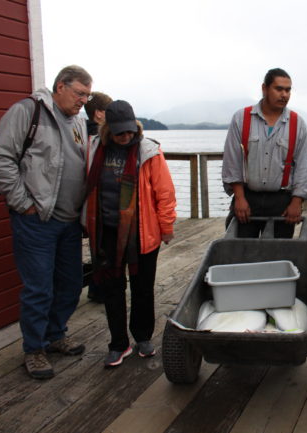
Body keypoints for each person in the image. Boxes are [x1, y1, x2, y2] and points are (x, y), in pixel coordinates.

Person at [0, 65, 93, 379]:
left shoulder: (78, 121)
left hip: (69, 222)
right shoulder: (26, 112)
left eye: (87, 96)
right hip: (37, 221)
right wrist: (23, 204)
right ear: (60, 86)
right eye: (79, 93)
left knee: (71, 284)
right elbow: (3, 159)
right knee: (39, 288)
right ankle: (34, 349)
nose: (83, 101)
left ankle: (55, 335)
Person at [84, 100, 176, 367]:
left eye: (129, 131)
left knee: (143, 289)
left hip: (142, 233)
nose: (125, 137)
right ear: (107, 130)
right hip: (107, 233)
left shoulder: (149, 152)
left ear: (136, 127)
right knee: (112, 289)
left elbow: (165, 193)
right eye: (119, 132)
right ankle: (118, 344)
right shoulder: (94, 149)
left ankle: (143, 337)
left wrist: (166, 226)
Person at [222, 68, 307, 238]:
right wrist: (239, 198)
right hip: (247, 198)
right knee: (241, 252)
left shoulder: (297, 123)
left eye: (288, 90)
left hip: (282, 201)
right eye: (279, 89)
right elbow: (232, 160)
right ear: (264, 88)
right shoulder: (241, 118)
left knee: (277, 255)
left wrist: (297, 201)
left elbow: (304, 165)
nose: (284, 94)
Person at [83, 91, 113, 303]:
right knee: (103, 248)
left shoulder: (78, 132)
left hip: (84, 201)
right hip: (99, 201)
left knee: (96, 246)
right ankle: (100, 288)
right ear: (100, 114)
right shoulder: (98, 138)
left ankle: (95, 287)